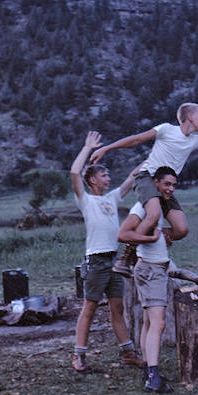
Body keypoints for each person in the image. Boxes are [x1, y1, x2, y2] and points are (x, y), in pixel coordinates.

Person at [91, 103, 198, 276]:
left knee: (181, 230)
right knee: (153, 215)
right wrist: (107, 148)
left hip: (166, 185)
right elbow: (137, 139)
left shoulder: (194, 141)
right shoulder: (167, 130)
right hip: (147, 178)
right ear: (190, 117)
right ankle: (126, 257)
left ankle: (148, 236)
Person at [69, 131, 145, 373]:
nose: (108, 178)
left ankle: (127, 352)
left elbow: (132, 178)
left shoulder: (112, 198)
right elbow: (73, 173)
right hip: (96, 261)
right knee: (89, 309)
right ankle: (78, 355)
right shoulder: (86, 200)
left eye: (108, 174)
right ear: (92, 180)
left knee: (117, 308)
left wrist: (154, 156)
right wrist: (87, 148)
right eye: (104, 174)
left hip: (115, 261)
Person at [116, 166, 182, 393]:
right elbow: (123, 234)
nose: (170, 189)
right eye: (166, 184)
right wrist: (151, 236)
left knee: (148, 322)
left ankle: (148, 368)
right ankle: (153, 377)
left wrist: (161, 237)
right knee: (158, 322)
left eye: (173, 185)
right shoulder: (142, 207)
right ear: (154, 183)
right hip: (151, 270)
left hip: (152, 268)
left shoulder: (156, 207)